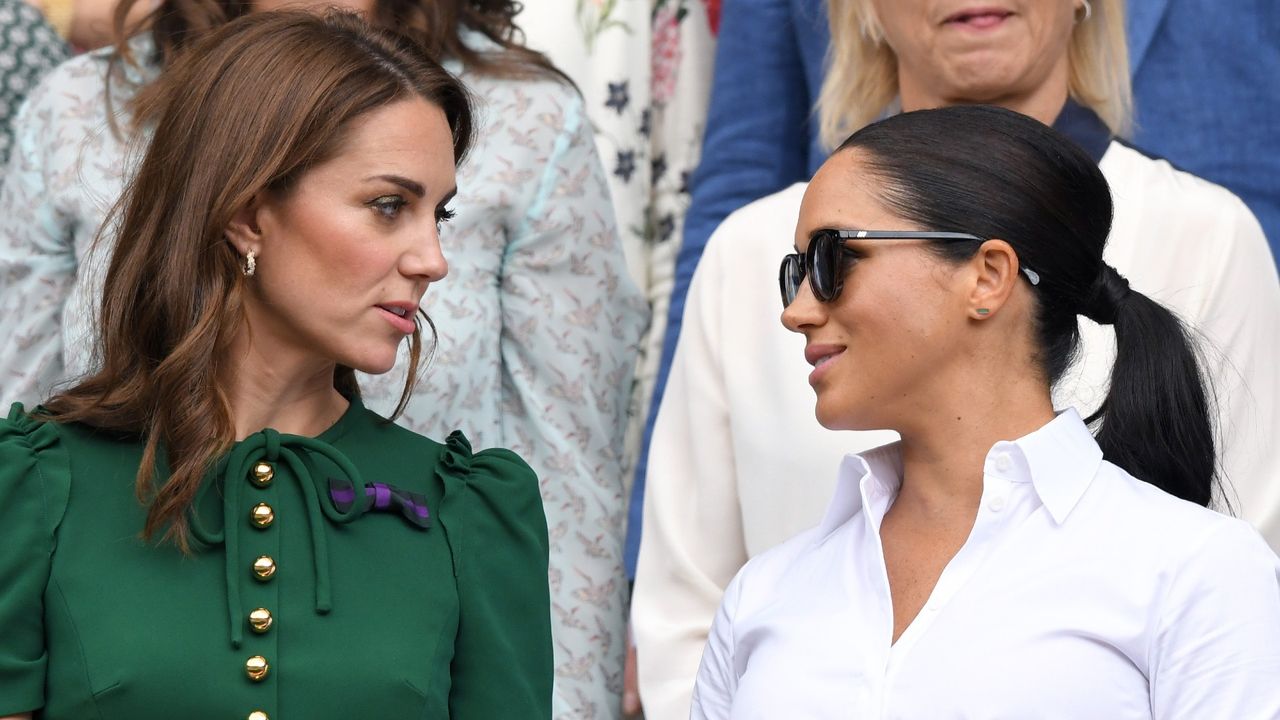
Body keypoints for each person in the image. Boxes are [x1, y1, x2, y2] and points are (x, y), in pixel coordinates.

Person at [632, 1, 1280, 717]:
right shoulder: (743, 251)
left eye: (837, 261)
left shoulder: (1209, 238)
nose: (800, 309)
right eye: (807, 266)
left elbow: (1242, 593)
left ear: (993, 277)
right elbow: (684, 615)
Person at [0, 0, 644, 715]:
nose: (434, 260)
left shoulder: (474, 515)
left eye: (442, 215)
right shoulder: (37, 491)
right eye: (388, 205)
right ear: (246, 213)